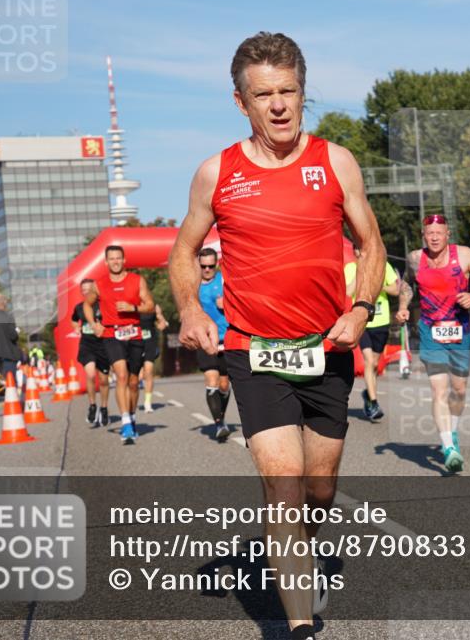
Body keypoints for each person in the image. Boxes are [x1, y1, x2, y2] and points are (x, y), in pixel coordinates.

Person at [168, 32, 385, 640]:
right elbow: (183, 251)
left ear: (303, 91)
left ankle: (299, 555)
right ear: (241, 102)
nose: (280, 105)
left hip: (328, 348)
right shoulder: (217, 173)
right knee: (283, 487)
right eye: (264, 95)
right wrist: (190, 308)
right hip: (254, 351)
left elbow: (371, 244)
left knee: (319, 490)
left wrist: (361, 308)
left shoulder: (335, 162)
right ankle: (299, 625)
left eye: (288, 91)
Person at [396, 214, 470, 473]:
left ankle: (453, 430)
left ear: (448, 234)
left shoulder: (464, 255)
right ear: (423, 236)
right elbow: (406, 284)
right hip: (430, 331)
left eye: (439, 233)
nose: (435, 237)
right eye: (430, 233)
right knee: (439, 390)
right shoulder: (415, 259)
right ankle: (449, 446)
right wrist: (404, 306)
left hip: (460, 329)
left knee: (459, 390)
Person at [84, 245, 154, 443]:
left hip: (134, 333)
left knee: (133, 381)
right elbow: (87, 304)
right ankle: (125, 422)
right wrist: (94, 324)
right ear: (106, 262)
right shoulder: (99, 284)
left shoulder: (137, 280)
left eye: (118, 258)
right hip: (111, 334)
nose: (115, 262)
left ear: (124, 260)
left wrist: (133, 307)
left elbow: (150, 305)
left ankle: (131, 415)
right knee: (121, 375)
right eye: (111, 259)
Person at [344, 245, 399, 422]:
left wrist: (378, 283)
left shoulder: (383, 265)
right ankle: (374, 403)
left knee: (374, 364)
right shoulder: (350, 268)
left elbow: (396, 289)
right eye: (358, 249)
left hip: (381, 321)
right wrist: (361, 272)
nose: (362, 253)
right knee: (369, 360)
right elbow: (348, 292)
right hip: (362, 321)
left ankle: (368, 393)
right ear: (355, 252)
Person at [195, 247, 232, 441]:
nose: (207, 270)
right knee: (212, 380)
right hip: (205, 339)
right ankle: (219, 424)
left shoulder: (224, 280)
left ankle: (221, 417)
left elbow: (243, 300)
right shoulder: (192, 285)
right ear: (199, 265)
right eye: (204, 266)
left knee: (224, 385)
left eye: (211, 266)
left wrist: (229, 302)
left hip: (227, 338)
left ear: (216, 264)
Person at [72, 278, 111, 426]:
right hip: (87, 345)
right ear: (81, 292)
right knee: (90, 374)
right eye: (84, 289)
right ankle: (92, 405)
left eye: (89, 289)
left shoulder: (103, 305)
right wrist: (76, 327)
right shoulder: (79, 307)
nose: (86, 291)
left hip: (103, 345)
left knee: (104, 380)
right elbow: (74, 320)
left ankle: (104, 408)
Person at [139, 303, 169, 413]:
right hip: (134, 343)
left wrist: (162, 323)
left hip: (149, 342)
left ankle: (147, 403)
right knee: (137, 376)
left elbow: (161, 322)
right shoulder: (130, 304)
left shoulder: (154, 306)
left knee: (149, 371)